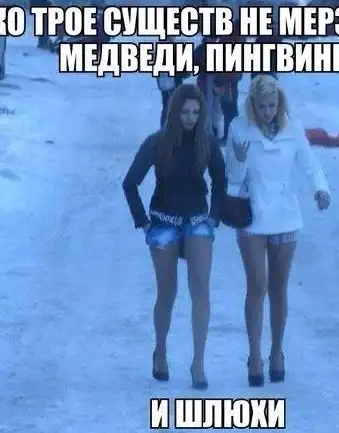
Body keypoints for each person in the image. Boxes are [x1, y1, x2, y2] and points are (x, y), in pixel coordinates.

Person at [224, 75, 331, 387]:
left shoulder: (292, 127)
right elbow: (232, 176)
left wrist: (320, 189)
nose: (268, 111)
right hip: (252, 214)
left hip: (285, 214)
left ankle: (277, 352)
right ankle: (255, 355)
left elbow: (309, 163)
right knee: (256, 285)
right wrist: (239, 161)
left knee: (278, 287)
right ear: (252, 105)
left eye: (272, 105)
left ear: (279, 103)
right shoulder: (239, 127)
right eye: (262, 106)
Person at [122, 84, 226, 390]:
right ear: (174, 111)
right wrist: (143, 222)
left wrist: (214, 215)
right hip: (163, 221)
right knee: (167, 293)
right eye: (185, 112)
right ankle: (161, 352)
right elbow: (130, 183)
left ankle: (198, 363)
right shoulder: (157, 142)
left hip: (198, 220)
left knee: (201, 288)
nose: (190, 118)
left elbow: (220, 179)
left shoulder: (207, 142)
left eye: (196, 112)